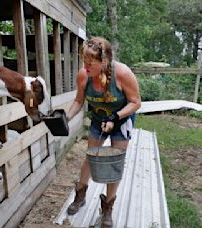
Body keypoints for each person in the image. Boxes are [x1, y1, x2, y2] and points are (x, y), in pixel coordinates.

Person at [66, 37, 141, 227]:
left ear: (104, 62)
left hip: (121, 121)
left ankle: (107, 208)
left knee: (114, 163)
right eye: (84, 61)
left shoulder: (123, 73)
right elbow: (78, 101)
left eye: (90, 63)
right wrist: (65, 118)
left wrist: (114, 118)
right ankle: (80, 196)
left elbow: (136, 102)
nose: (86, 66)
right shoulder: (84, 75)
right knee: (91, 158)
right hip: (98, 120)